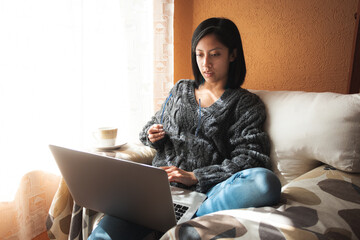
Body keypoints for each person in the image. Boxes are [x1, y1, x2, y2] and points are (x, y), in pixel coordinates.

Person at [89, 17, 281, 240]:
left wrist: (194, 176)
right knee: (103, 232)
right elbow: (148, 128)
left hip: (208, 193)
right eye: (199, 54)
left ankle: (192, 216)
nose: (205, 63)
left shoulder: (245, 104)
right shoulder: (181, 89)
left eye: (215, 54)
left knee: (264, 182)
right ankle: (170, 215)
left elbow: (252, 158)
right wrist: (153, 135)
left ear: (233, 54)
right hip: (159, 191)